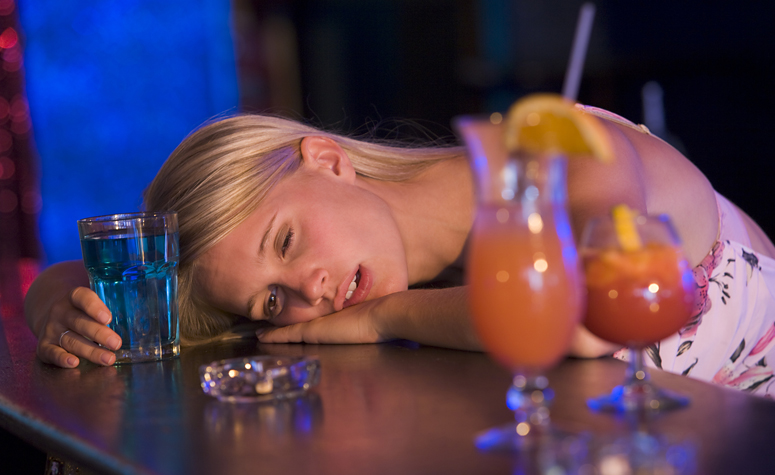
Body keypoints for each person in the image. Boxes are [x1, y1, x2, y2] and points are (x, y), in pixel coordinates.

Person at [24, 105, 775, 396]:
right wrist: (56, 294)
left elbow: (586, 320)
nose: (310, 292)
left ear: (325, 158)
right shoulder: (409, 271)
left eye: (284, 240)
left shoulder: (554, 150)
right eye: (273, 300)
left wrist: (382, 319)